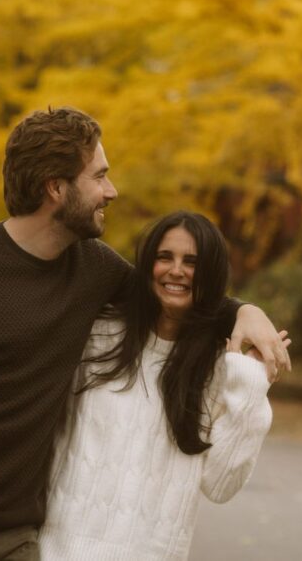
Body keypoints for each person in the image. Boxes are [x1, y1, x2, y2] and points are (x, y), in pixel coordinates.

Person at [0, 107, 289, 561]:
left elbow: (167, 294)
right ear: (56, 188)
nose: (111, 191)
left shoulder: (95, 269)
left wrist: (245, 311)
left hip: (13, 540)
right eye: (99, 177)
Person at [40, 211, 281, 560]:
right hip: (58, 551)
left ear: (210, 274)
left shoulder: (220, 368)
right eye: (164, 257)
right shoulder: (98, 335)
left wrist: (252, 383)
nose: (176, 270)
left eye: (191, 262)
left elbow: (221, 485)